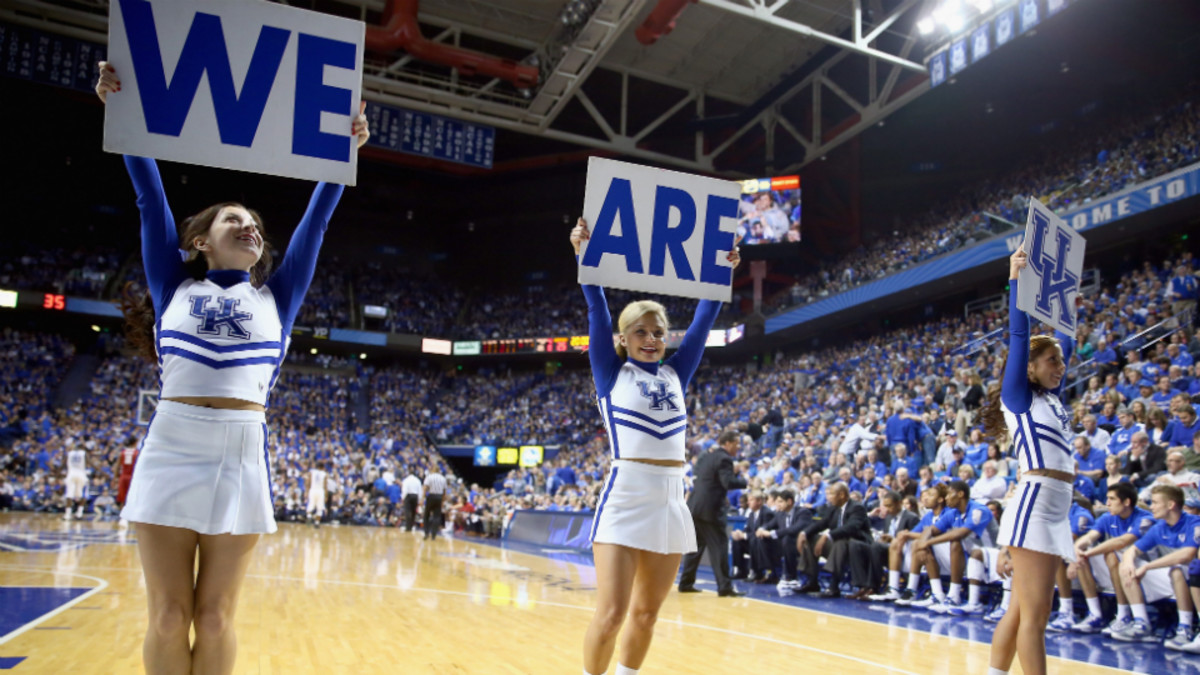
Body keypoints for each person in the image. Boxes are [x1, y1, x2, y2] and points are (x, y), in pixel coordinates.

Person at [97, 61, 369, 675]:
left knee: (216, 616)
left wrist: (341, 156)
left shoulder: (278, 297)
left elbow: (318, 222)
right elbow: (149, 198)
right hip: (172, 441)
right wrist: (123, 111)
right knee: (168, 614)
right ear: (201, 241)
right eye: (233, 220)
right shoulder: (172, 287)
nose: (249, 227)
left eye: (255, 225)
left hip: (242, 447)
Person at [573, 217, 740, 675]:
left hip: (670, 498)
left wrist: (723, 270)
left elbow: (705, 318)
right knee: (610, 615)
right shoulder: (610, 373)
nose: (651, 339)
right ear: (623, 339)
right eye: (642, 332)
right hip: (626, 493)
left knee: (647, 615)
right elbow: (596, 311)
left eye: (659, 332)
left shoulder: (676, 373)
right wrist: (586, 257)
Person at [982, 244, 1076, 675]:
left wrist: (1063, 289)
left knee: (1021, 611)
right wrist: (1016, 279)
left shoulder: (1052, 398)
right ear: (1031, 368)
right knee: (1036, 618)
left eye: (1060, 360)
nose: (1060, 365)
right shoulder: (1017, 397)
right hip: (1037, 503)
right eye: (1051, 360)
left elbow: (1068, 336)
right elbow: (1019, 338)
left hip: (1056, 505)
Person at [1115, 485, 1200, 645]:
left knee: (1176, 570)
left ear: (1170, 505)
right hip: (1171, 579)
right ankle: (1141, 623)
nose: (1151, 506)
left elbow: (1186, 554)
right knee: (1125, 564)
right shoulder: (1159, 527)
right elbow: (1131, 550)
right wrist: (1128, 561)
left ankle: (1185, 628)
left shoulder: (1194, 523)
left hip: (1192, 580)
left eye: (1155, 502)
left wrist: (1148, 566)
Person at [678, 431, 749, 596]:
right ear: (728, 443)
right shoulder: (724, 459)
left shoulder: (705, 457)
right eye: (737, 444)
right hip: (710, 510)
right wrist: (744, 481)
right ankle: (725, 587)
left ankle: (686, 583)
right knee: (719, 547)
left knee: (695, 547)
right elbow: (728, 482)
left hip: (695, 506)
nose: (738, 447)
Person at [794, 482, 871, 597]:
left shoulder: (857, 507)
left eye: (832, 494)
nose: (829, 497)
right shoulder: (834, 508)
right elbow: (822, 523)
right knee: (811, 539)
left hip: (858, 547)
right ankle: (812, 582)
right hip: (840, 547)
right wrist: (804, 533)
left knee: (839, 542)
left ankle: (833, 587)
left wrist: (827, 535)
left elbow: (851, 528)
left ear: (841, 495)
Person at [63, 440, 88, 521]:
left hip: (71, 474)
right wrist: (102, 472)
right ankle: (79, 513)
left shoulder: (70, 453)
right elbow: (91, 463)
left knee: (69, 495)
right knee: (82, 495)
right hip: (81, 474)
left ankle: (67, 514)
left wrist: (57, 472)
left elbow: (63, 464)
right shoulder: (84, 453)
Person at [423, 467, 447, 540]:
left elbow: (425, 488)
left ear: (433, 470)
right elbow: (444, 492)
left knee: (426, 515)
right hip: (439, 497)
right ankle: (433, 535)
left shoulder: (429, 477)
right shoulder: (443, 478)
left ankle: (426, 533)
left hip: (431, 496)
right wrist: (443, 501)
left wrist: (423, 497)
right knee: (437, 516)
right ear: (439, 471)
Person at [306, 460, 328, 528]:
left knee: (310, 505)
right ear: (323, 467)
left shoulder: (311, 472)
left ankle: (309, 517)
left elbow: (308, 482)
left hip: (312, 490)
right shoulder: (324, 474)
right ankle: (317, 523)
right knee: (319, 508)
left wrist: (307, 491)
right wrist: (326, 495)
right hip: (320, 491)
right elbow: (325, 486)